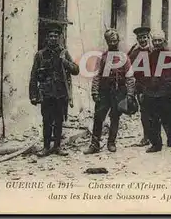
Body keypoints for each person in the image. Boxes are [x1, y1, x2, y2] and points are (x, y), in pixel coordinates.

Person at [29, 23, 79, 157]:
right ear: (47, 38)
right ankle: (46, 147)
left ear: (59, 38)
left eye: (56, 36)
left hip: (61, 93)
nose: (53, 38)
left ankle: (57, 147)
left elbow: (76, 70)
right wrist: (33, 95)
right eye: (51, 36)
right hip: (46, 93)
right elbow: (34, 75)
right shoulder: (40, 55)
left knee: (59, 120)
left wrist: (65, 62)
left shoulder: (64, 53)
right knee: (47, 120)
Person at [83, 28, 136, 154]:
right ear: (107, 42)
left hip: (119, 92)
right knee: (98, 117)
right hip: (104, 92)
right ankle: (94, 144)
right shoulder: (102, 57)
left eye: (115, 40)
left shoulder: (124, 58)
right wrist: (95, 92)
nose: (113, 43)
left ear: (118, 41)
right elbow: (97, 75)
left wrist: (130, 94)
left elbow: (130, 76)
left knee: (115, 117)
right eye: (110, 41)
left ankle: (111, 142)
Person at [142, 29, 171, 156]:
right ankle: (156, 144)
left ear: (164, 41)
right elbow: (145, 74)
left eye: (159, 40)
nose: (157, 43)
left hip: (168, 93)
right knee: (153, 120)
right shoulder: (149, 57)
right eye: (155, 40)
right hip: (153, 93)